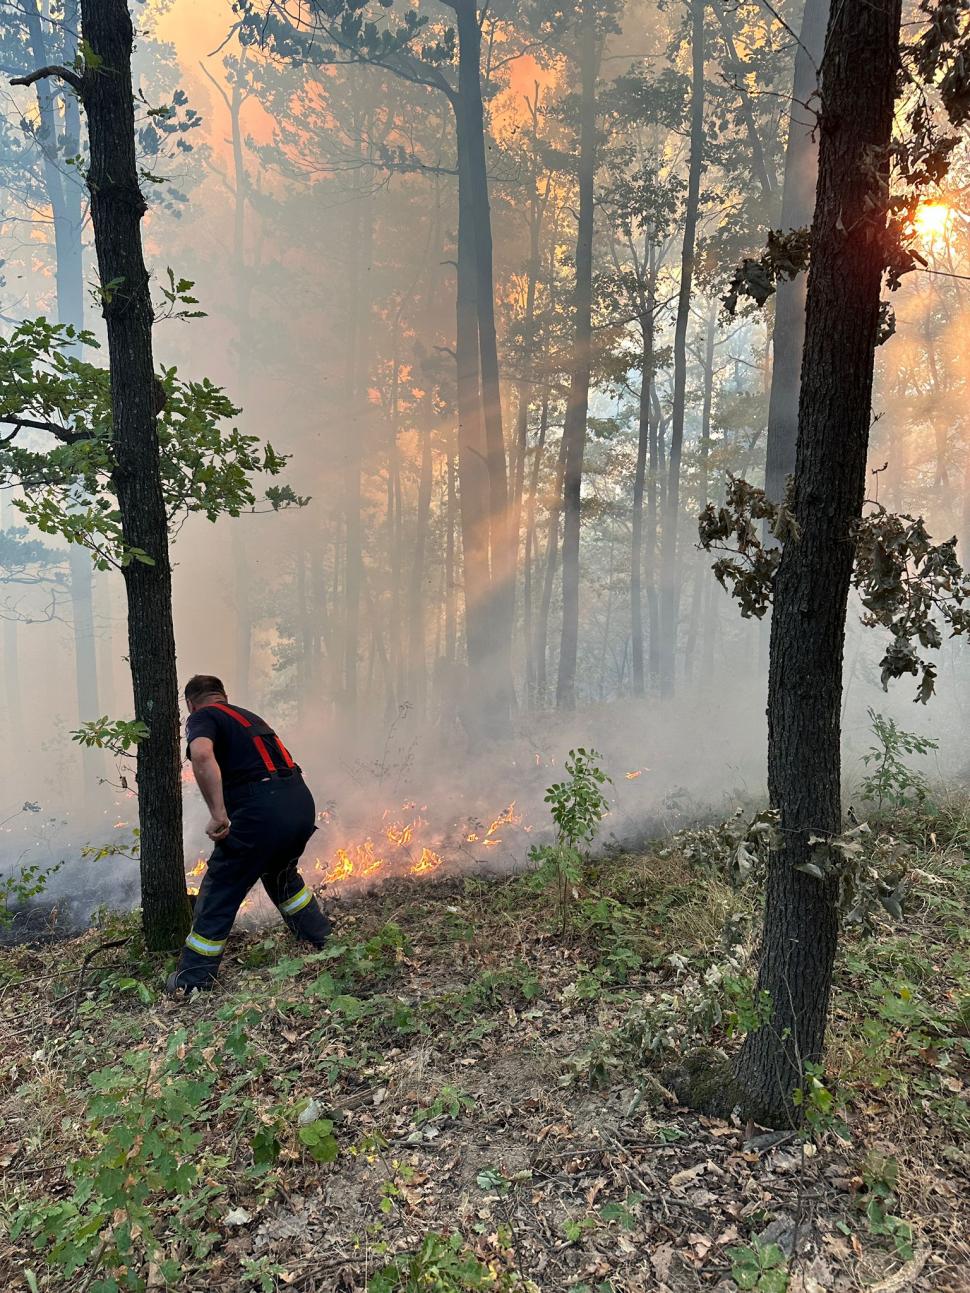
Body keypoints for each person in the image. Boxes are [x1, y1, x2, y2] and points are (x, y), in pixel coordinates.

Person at [167, 674, 331, 994]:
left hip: (263, 810)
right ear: (223, 695)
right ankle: (322, 938)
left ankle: (193, 980)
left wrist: (218, 814)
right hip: (299, 801)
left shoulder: (203, 716)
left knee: (221, 887)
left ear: (190, 704)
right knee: (281, 875)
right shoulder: (248, 717)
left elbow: (201, 754)